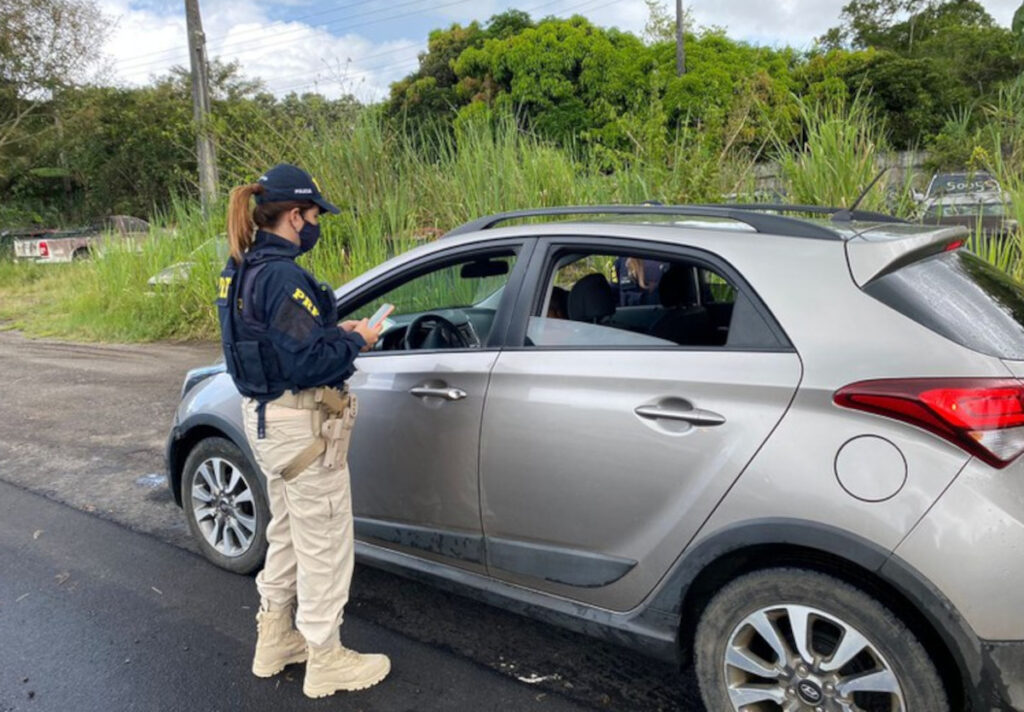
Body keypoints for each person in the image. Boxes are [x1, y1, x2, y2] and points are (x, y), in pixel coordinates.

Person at [217, 164, 388, 699]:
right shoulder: (283, 276)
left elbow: (277, 342)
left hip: (268, 421)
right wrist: (359, 340)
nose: (315, 225)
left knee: (288, 535)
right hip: (302, 427)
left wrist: (332, 331)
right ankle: (326, 659)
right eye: (314, 216)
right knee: (326, 545)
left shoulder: (239, 267)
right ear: (294, 216)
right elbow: (312, 362)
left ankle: (274, 641)